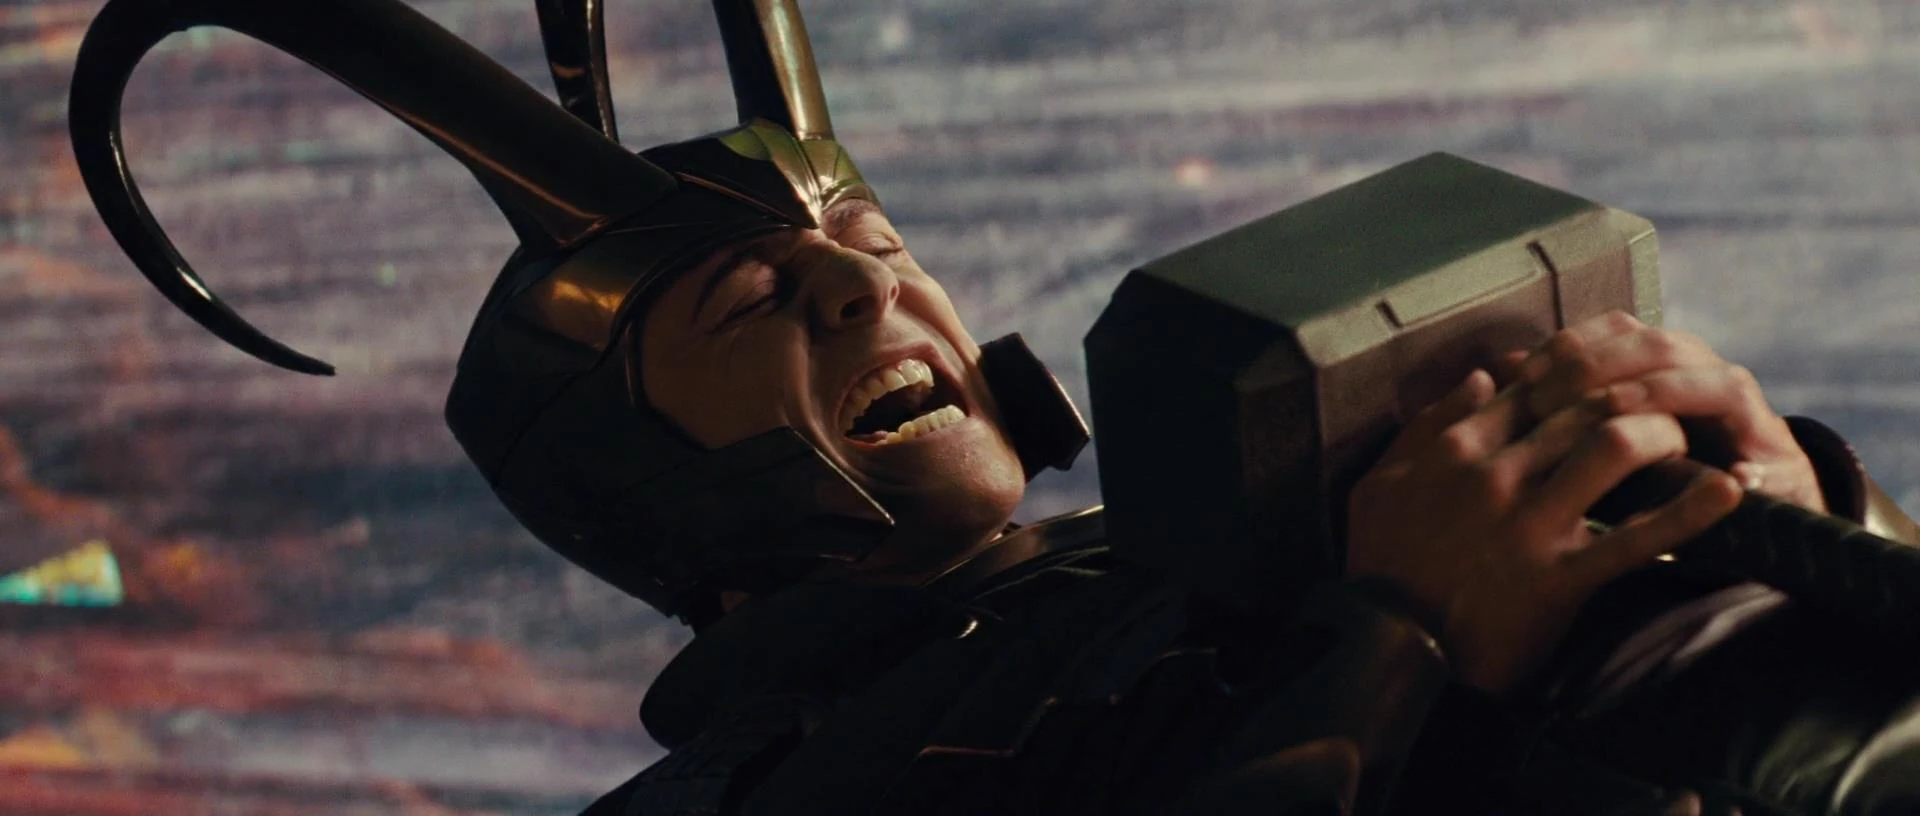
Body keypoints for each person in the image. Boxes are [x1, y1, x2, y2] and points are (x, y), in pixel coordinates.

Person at [67, 0, 1920, 813]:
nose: (871, 291)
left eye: (872, 246)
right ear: (638, 475)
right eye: (750, 300)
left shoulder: (1219, 549)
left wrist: (1786, 517)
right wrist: (1405, 639)